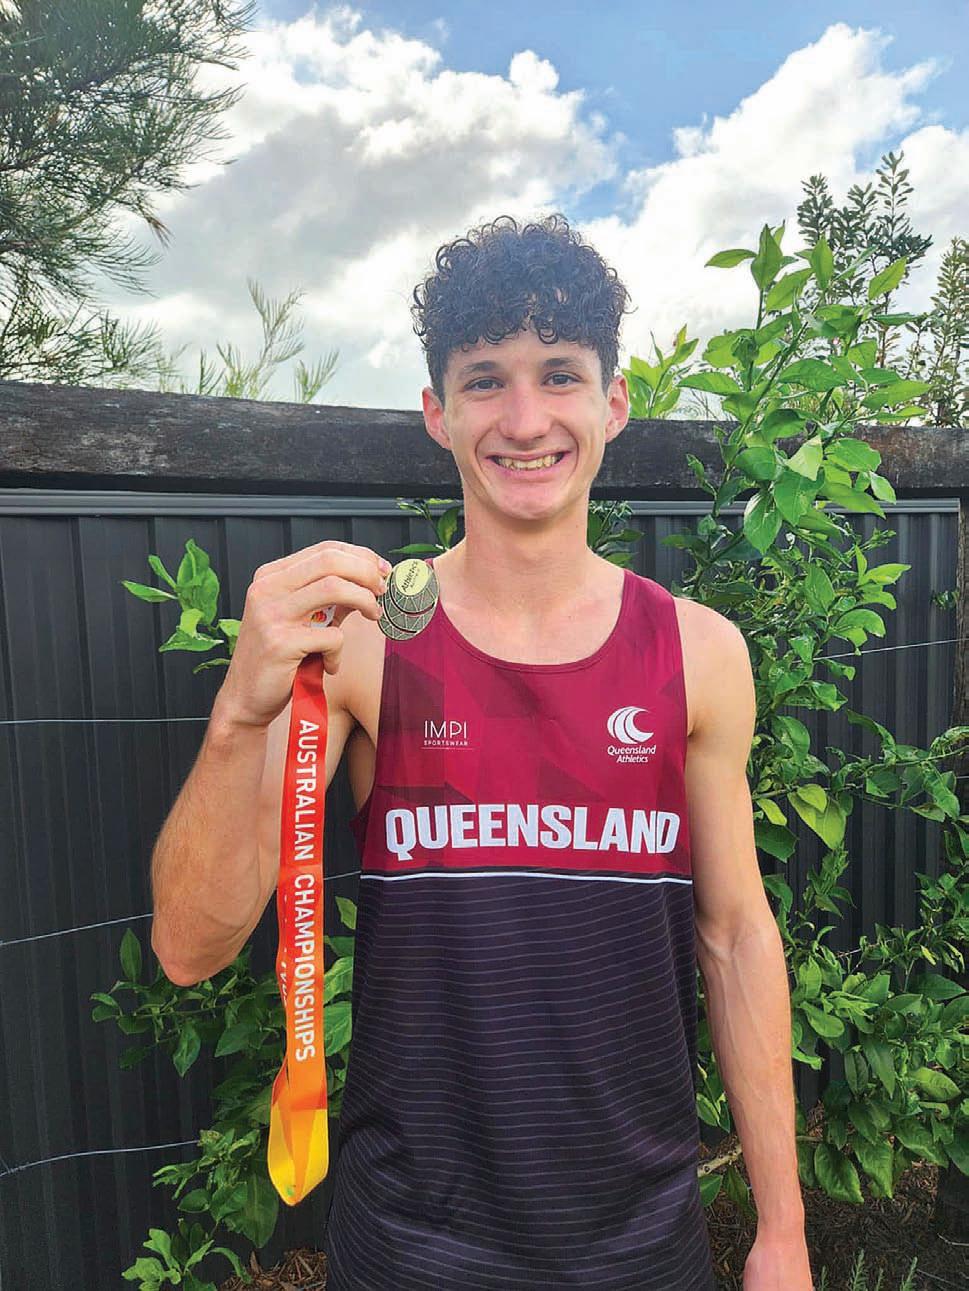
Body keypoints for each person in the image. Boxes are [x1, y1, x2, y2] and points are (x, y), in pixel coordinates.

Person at [150, 213, 811, 1289]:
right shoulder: (364, 642)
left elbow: (734, 934)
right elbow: (189, 946)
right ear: (438, 412)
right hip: (413, 1248)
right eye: (485, 380)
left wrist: (782, 1227)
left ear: (612, 404)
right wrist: (237, 716)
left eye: (559, 375)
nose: (525, 418)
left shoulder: (697, 652)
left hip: (641, 1247)